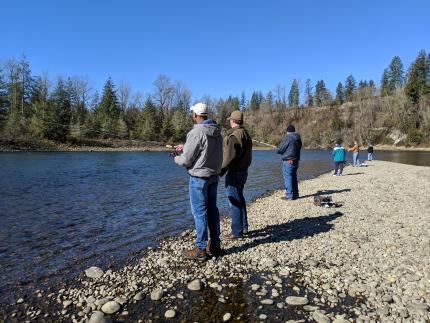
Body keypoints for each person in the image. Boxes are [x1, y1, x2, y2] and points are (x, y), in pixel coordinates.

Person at [174, 102, 223, 261]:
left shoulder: (196, 133)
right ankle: (215, 245)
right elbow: (204, 150)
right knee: (212, 211)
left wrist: (176, 158)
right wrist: (185, 146)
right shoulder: (217, 132)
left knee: (200, 213)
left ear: (195, 115)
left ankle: (201, 249)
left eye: (192, 114)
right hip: (214, 177)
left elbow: (187, 160)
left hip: (199, 179)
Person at [219, 111, 252, 239]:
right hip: (243, 171)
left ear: (232, 121)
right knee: (240, 198)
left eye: (230, 120)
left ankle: (237, 232)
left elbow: (228, 158)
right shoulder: (245, 134)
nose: (229, 122)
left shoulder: (234, 136)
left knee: (234, 202)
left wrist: (220, 171)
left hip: (235, 172)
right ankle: (244, 227)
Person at [277, 124, 302, 200]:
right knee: (294, 177)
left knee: (288, 178)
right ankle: (296, 194)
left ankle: (289, 195)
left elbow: (281, 149)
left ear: (287, 131)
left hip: (288, 161)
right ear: (294, 131)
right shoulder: (298, 138)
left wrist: (278, 149)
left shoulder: (288, 138)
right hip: (296, 161)